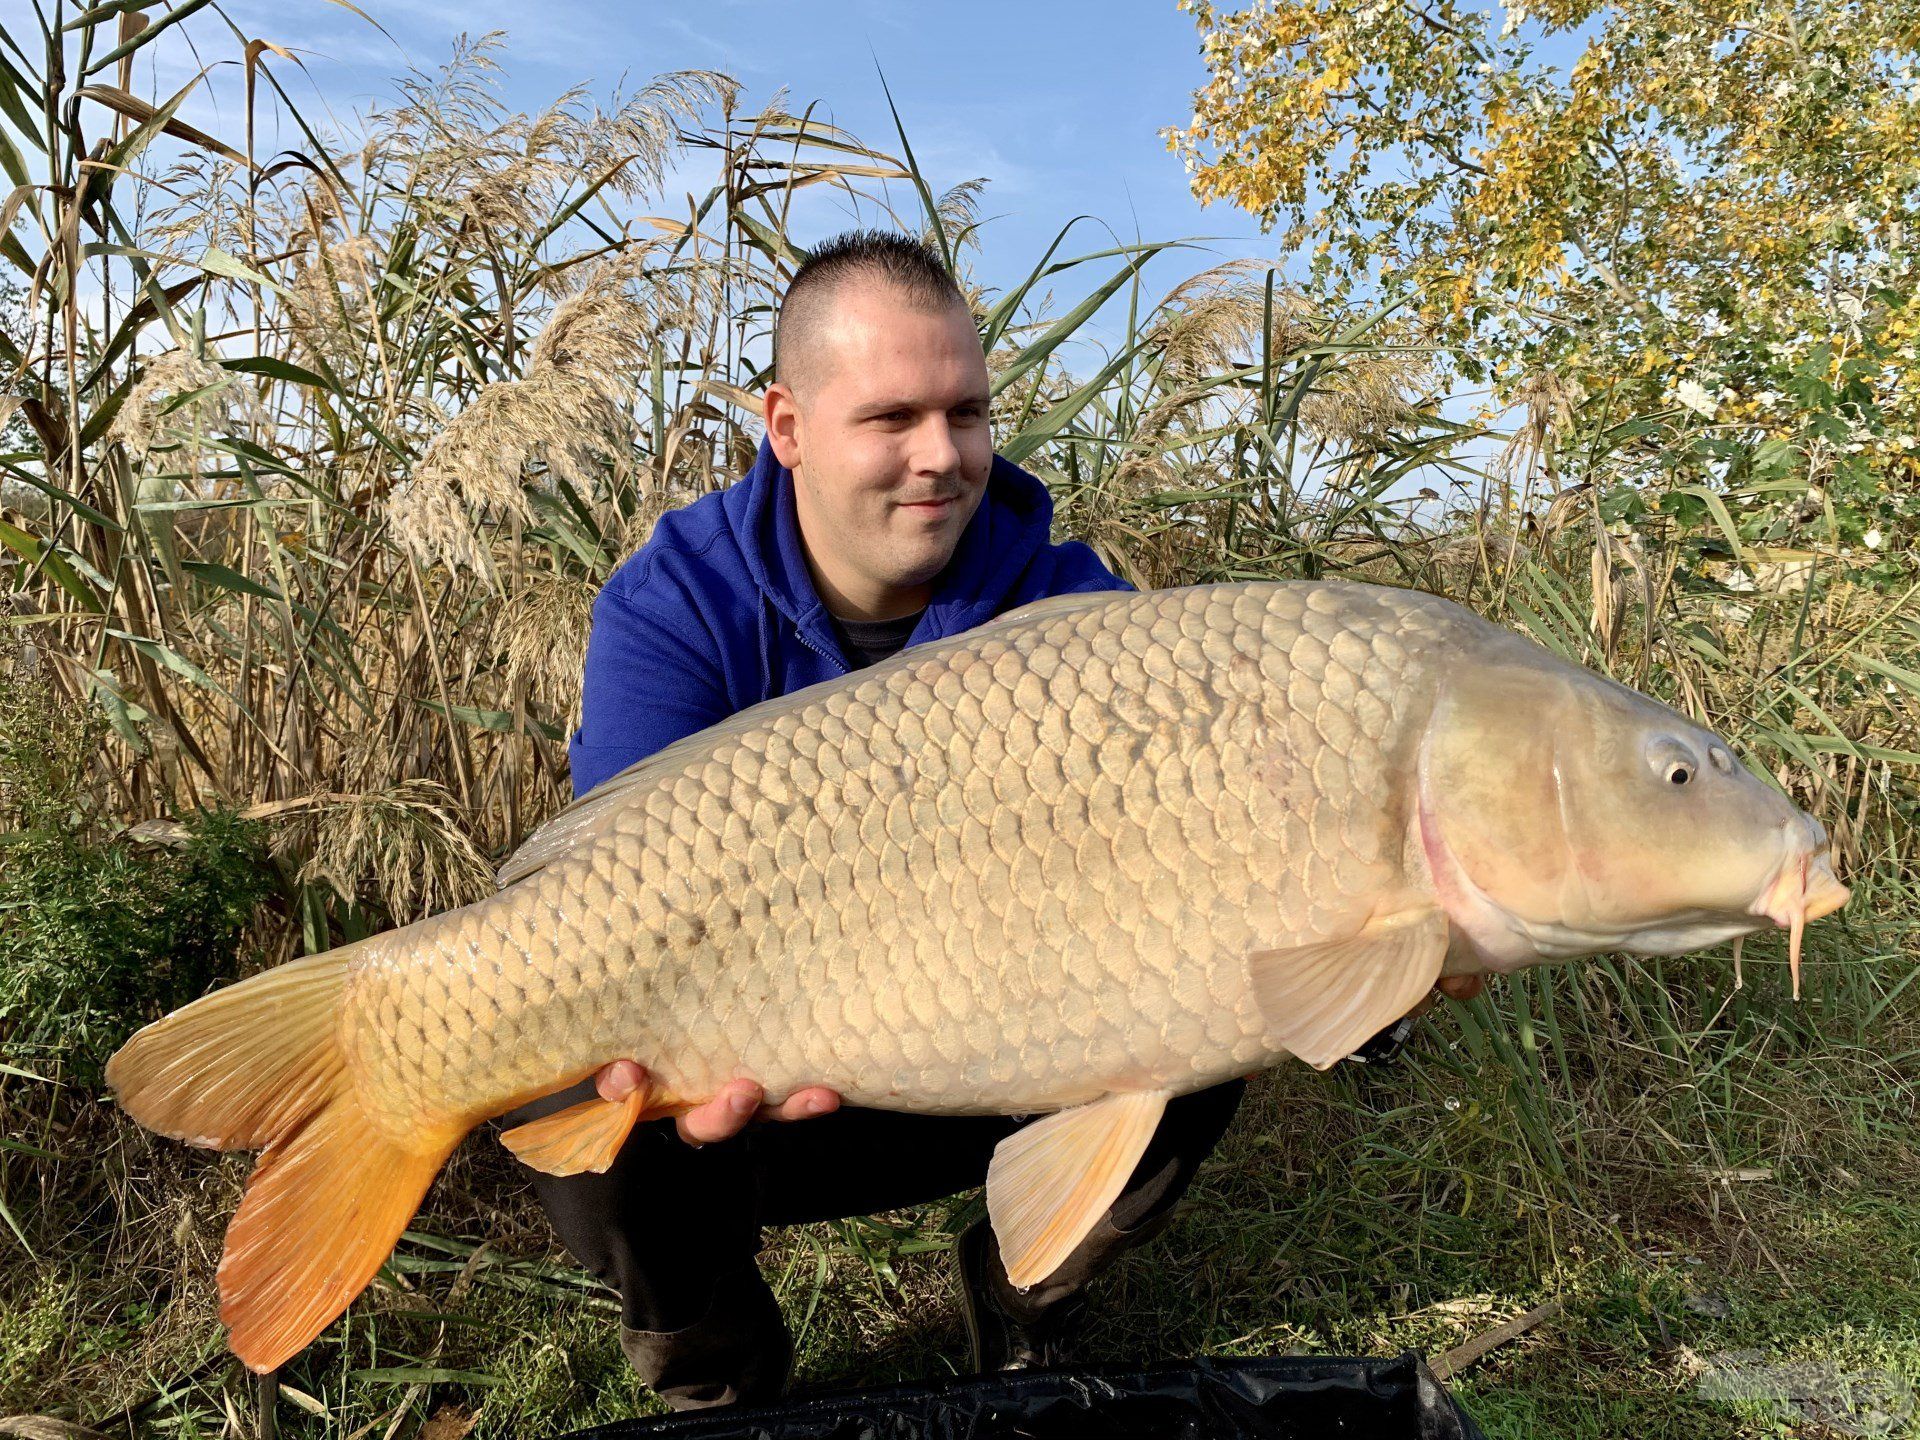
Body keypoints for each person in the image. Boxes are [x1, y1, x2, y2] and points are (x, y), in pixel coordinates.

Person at [505, 229, 1480, 1411]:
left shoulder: (1070, 609)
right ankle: (719, 1377)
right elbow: (616, 895)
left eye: (966, 414)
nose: (940, 458)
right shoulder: (677, 604)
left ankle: (1028, 1290)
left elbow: (1228, 867)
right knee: (569, 1104)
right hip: (753, 1076)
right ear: (789, 427)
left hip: (992, 1048)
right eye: (891, 418)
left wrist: (1389, 931)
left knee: (1220, 1007)